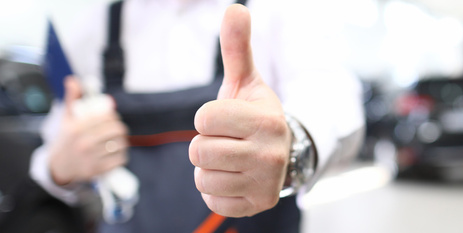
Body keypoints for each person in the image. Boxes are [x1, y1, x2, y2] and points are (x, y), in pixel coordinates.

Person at [30, 0, 365, 232]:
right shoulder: (92, 26)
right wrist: (61, 166)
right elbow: (54, 148)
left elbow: (333, 99)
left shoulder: (282, 11)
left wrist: (292, 143)